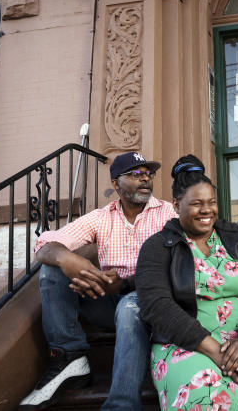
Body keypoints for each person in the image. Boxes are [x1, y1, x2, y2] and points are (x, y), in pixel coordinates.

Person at [135, 155, 238, 411]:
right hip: (184, 345)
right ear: (177, 205)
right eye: (196, 204)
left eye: (211, 202)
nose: (207, 210)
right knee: (206, 389)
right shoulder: (158, 246)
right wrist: (213, 350)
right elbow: (156, 305)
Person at [19, 152, 177, 411]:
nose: (145, 179)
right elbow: (44, 245)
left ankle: (122, 406)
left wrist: (125, 284)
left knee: (129, 306)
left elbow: (174, 265)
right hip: (106, 300)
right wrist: (69, 260)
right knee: (52, 270)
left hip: (149, 300)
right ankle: (70, 356)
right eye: (136, 174)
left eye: (148, 173)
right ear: (116, 183)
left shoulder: (167, 213)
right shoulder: (102, 217)